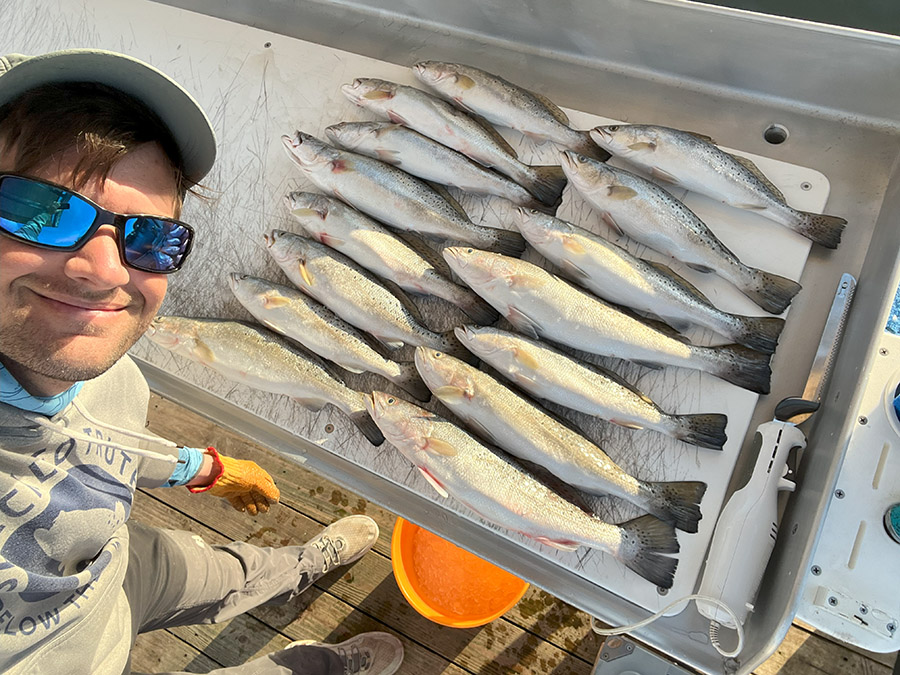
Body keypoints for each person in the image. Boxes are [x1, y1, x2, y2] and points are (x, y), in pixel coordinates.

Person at [0, 49, 404, 675]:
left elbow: (103, 440)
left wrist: (204, 469)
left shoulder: (112, 373)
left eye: (150, 237)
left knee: (229, 569)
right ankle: (321, 666)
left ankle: (302, 564)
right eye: (37, 209)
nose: (105, 270)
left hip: (119, 560)